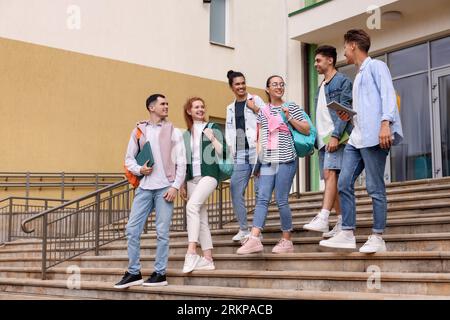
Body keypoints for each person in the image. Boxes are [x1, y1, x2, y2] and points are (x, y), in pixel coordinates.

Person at [320, 29, 403, 253]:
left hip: (375, 137)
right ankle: (347, 232)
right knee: (344, 182)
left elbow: (387, 94)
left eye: (345, 47)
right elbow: (364, 109)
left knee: (375, 188)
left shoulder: (376, 67)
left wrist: (386, 123)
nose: (344, 52)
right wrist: (349, 115)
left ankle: (378, 237)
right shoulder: (357, 77)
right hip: (357, 138)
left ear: (353, 45)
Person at [114, 94, 186, 288]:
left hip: (165, 188)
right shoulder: (139, 130)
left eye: (167, 103)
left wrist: (175, 186)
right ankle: (133, 271)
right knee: (132, 229)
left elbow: (181, 162)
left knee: (162, 232)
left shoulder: (174, 131)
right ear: (151, 107)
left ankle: (160, 273)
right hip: (145, 188)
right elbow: (129, 159)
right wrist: (140, 170)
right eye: (163, 104)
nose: (166, 106)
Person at [237, 75, 311, 254]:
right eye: (274, 85)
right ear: (268, 90)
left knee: (281, 200)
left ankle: (287, 240)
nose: (279, 87)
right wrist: (258, 165)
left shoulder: (291, 106)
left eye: (281, 84)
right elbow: (261, 138)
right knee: (262, 198)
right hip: (268, 161)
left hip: (286, 159)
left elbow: (306, 129)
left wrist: (289, 119)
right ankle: (254, 238)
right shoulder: (263, 111)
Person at [303, 45, 353, 238]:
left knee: (331, 174)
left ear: (330, 60)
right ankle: (340, 222)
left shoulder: (342, 81)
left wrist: (335, 135)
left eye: (318, 60)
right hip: (323, 140)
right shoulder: (321, 85)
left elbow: (345, 111)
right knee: (332, 180)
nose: (315, 64)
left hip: (336, 137)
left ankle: (324, 216)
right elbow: (321, 115)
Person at [179, 97, 229, 273]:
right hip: (192, 178)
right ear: (189, 111)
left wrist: (213, 139)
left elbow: (224, 151)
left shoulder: (213, 127)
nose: (200, 109)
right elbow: (184, 161)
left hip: (209, 175)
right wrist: (182, 183)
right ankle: (208, 259)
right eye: (196, 107)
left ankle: (191, 251)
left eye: (202, 106)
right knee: (201, 218)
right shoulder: (186, 134)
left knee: (191, 207)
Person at [225, 70, 266, 242]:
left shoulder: (255, 99)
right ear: (232, 87)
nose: (241, 86)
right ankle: (243, 229)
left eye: (243, 83)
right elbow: (230, 131)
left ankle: (257, 230)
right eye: (237, 84)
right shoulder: (230, 107)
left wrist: (255, 108)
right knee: (235, 188)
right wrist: (232, 152)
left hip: (256, 150)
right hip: (240, 150)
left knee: (258, 191)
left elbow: (268, 119)